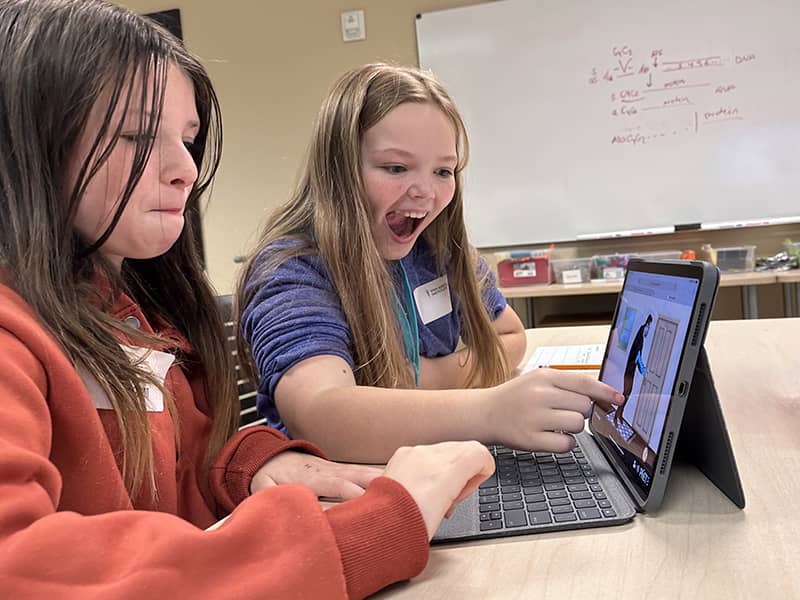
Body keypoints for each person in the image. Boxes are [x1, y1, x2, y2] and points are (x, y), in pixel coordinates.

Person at [0, 2, 497, 598]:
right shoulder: (16, 340)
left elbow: (185, 464)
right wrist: (379, 526)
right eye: (136, 135)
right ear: (25, 141)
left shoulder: (126, 314)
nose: (186, 169)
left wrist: (255, 465)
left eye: (187, 139)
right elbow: (24, 568)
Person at [238, 63, 624, 462]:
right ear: (340, 170)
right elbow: (321, 417)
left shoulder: (437, 248)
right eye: (396, 168)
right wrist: (488, 409)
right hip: (338, 495)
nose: (425, 192)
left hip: (427, 467)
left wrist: (420, 377)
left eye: (443, 170)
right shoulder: (292, 272)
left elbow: (510, 338)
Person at [613, 314, 652, 427]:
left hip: (631, 369)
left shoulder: (640, 335)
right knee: (626, 393)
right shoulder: (640, 338)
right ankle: (618, 416)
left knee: (627, 393)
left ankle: (619, 415)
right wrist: (643, 369)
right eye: (648, 328)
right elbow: (638, 356)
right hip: (630, 371)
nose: (648, 331)